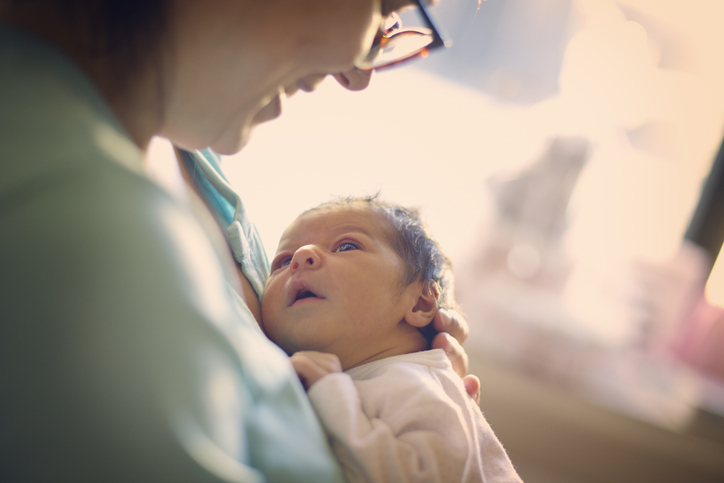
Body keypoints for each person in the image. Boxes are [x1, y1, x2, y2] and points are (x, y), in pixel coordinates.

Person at [0, 1, 479, 482]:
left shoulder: (194, 160)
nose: (358, 74)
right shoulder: (73, 216)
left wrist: (402, 389)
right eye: (383, 8)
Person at [261, 196, 523, 483]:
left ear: (421, 303)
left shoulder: (413, 379)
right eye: (283, 261)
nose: (302, 256)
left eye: (346, 245)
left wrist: (329, 392)